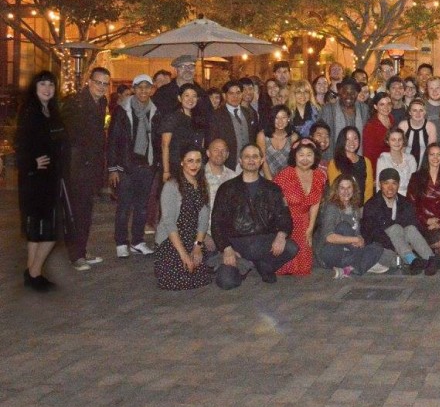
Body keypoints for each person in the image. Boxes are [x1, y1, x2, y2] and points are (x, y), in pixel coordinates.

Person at [211, 144, 299, 288]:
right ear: (240, 160)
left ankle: (264, 264)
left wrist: (281, 235)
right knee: (226, 282)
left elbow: (284, 217)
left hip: (264, 242)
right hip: (236, 244)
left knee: (291, 247)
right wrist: (226, 249)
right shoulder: (227, 188)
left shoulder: (273, 189)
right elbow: (216, 223)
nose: (251, 160)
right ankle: (244, 266)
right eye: (247, 157)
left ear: (261, 160)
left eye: (255, 156)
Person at [17, 71, 65, 291]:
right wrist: (32, 163)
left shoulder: (52, 112)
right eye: (43, 84)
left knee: (39, 230)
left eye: (51, 85)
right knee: (49, 232)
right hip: (35, 181)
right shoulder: (30, 113)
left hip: (50, 179)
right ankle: (35, 273)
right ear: (35, 88)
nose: (47, 88)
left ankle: (32, 272)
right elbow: (20, 145)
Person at [107, 73, 161, 259]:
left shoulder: (155, 111)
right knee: (124, 206)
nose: (144, 91)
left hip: (147, 166)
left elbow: (157, 139)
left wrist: (157, 164)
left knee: (142, 207)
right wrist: (113, 168)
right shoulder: (122, 110)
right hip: (126, 167)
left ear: (152, 90)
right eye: (140, 87)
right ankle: (121, 242)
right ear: (134, 89)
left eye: (147, 87)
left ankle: (137, 241)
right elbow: (113, 140)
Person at [64, 66, 110, 271]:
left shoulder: (101, 103)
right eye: (98, 82)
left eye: (105, 84)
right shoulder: (76, 102)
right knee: (77, 211)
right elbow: (71, 136)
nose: (101, 87)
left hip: (91, 165)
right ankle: (76, 255)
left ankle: (82, 250)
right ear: (89, 82)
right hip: (77, 165)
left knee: (86, 210)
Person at [154, 148, 215, 290]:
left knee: (199, 277)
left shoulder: (202, 185)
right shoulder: (171, 186)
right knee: (178, 279)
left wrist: (197, 246)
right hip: (172, 239)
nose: (194, 165)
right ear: (182, 162)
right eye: (190, 161)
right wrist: (183, 254)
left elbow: (204, 218)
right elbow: (169, 222)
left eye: (198, 161)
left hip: (192, 238)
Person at [361, 167, 435, 274]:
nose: (390, 188)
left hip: (402, 245)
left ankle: (430, 258)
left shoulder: (405, 202)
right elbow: (372, 233)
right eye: (386, 183)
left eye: (394, 183)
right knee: (395, 228)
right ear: (380, 185)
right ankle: (411, 261)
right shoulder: (372, 205)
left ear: (398, 185)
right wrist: (395, 245)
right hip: (383, 246)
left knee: (410, 229)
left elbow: (413, 223)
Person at [314, 175, 391, 277]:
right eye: (342, 188)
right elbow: (329, 237)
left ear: (354, 189)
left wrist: (360, 239)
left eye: (349, 187)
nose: (346, 191)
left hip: (349, 253)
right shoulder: (332, 207)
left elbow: (357, 234)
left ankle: (351, 269)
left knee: (377, 247)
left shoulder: (354, 208)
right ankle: (366, 263)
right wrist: (355, 239)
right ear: (336, 190)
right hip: (331, 251)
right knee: (344, 226)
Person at [274, 138, 328, 276]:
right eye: (301, 155)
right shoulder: (285, 175)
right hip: (286, 222)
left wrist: (310, 228)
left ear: (315, 157)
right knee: (284, 267)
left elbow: (315, 203)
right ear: (295, 156)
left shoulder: (319, 175)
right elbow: (277, 205)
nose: (305, 159)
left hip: (304, 222)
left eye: (309, 155)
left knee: (304, 269)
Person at [407, 143, 440, 268]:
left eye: (439, 154)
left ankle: (422, 251)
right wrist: (426, 220)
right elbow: (411, 205)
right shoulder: (416, 177)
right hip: (422, 224)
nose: (435, 158)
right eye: (432, 154)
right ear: (426, 157)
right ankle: (429, 252)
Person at [207, 80, 259, 171]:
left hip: (247, 164)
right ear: (224, 95)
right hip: (227, 164)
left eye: (238, 93)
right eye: (231, 93)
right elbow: (211, 141)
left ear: (242, 94)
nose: (235, 96)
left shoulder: (249, 113)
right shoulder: (216, 115)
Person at [160, 83, 205, 184]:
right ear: (180, 98)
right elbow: (164, 145)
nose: (191, 99)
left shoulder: (199, 118)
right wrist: (166, 171)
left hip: (194, 167)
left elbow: (200, 145)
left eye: (194, 96)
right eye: (187, 95)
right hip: (176, 166)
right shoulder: (172, 118)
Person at [319, 78, 369, 160]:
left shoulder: (364, 109)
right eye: (345, 92)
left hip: (357, 159)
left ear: (357, 94)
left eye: (352, 93)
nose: (349, 96)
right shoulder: (327, 109)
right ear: (339, 92)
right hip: (332, 158)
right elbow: (320, 135)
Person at [328, 126, 374, 204]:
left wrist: (366, 209)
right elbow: (335, 191)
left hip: (362, 208)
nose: (352, 143)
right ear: (342, 141)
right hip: (342, 208)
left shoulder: (366, 161)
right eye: (347, 139)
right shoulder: (334, 163)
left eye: (355, 139)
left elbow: (369, 190)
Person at [397, 98, 438, 170]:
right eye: (414, 110)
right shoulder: (403, 125)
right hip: (405, 165)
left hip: (424, 166)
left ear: (425, 112)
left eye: (421, 110)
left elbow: (431, 151)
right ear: (410, 112)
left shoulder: (430, 127)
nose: (418, 114)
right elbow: (399, 149)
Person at [256, 104, 296, 179]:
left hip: (286, 178)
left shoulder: (293, 137)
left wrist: (284, 180)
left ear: (288, 119)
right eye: (276, 118)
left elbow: (293, 163)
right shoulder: (262, 135)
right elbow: (263, 160)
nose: (280, 121)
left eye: (283, 117)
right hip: (265, 177)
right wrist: (271, 182)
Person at [375, 127, 418, 194]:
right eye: (393, 140)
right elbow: (379, 185)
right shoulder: (383, 160)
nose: (397, 143)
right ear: (387, 141)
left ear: (403, 141)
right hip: (389, 196)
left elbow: (414, 184)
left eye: (399, 139)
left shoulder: (410, 159)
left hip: (408, 197)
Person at [362, 92, 395, 175]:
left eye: (388, 104)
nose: (386, 107)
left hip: (391, 165)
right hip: (377, 167)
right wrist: (372, 174)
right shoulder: (371, 126)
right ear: (375, 106)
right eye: (382, 104)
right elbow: (368, 154)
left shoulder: (391, 118)